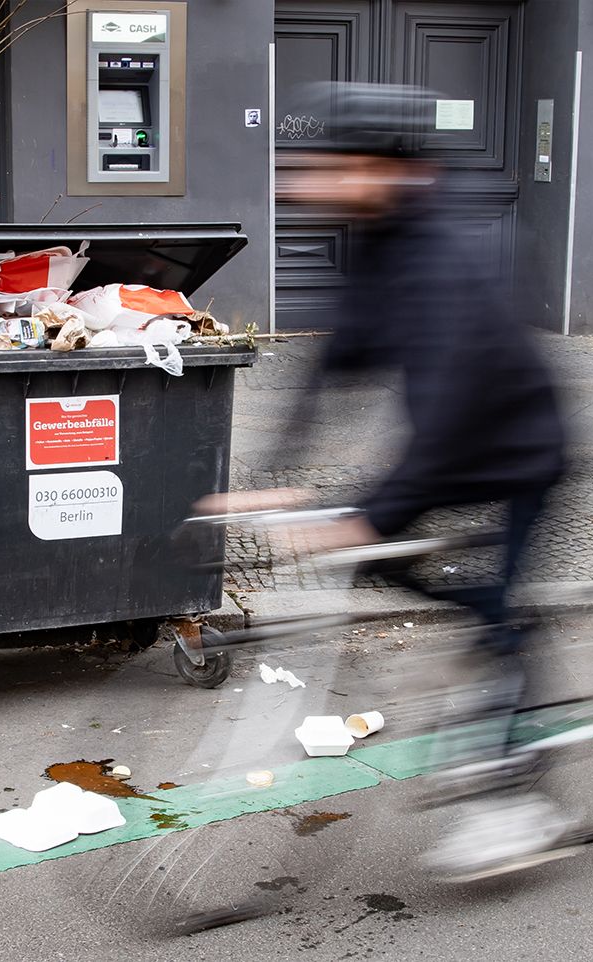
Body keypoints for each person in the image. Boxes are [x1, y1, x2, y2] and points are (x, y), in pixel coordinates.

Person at [215, 82, 568, 878]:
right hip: (451, 450)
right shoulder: (378, 239)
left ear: (378, 166)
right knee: (383, 564)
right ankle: (494, 618)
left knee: (488, 599)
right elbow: (336, 360)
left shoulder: (447, 254)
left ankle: (515, 799)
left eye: (327, 167)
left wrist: (373, 511)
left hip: (517, 453)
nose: (306, 184)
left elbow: (446, 408)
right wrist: (271, 477)